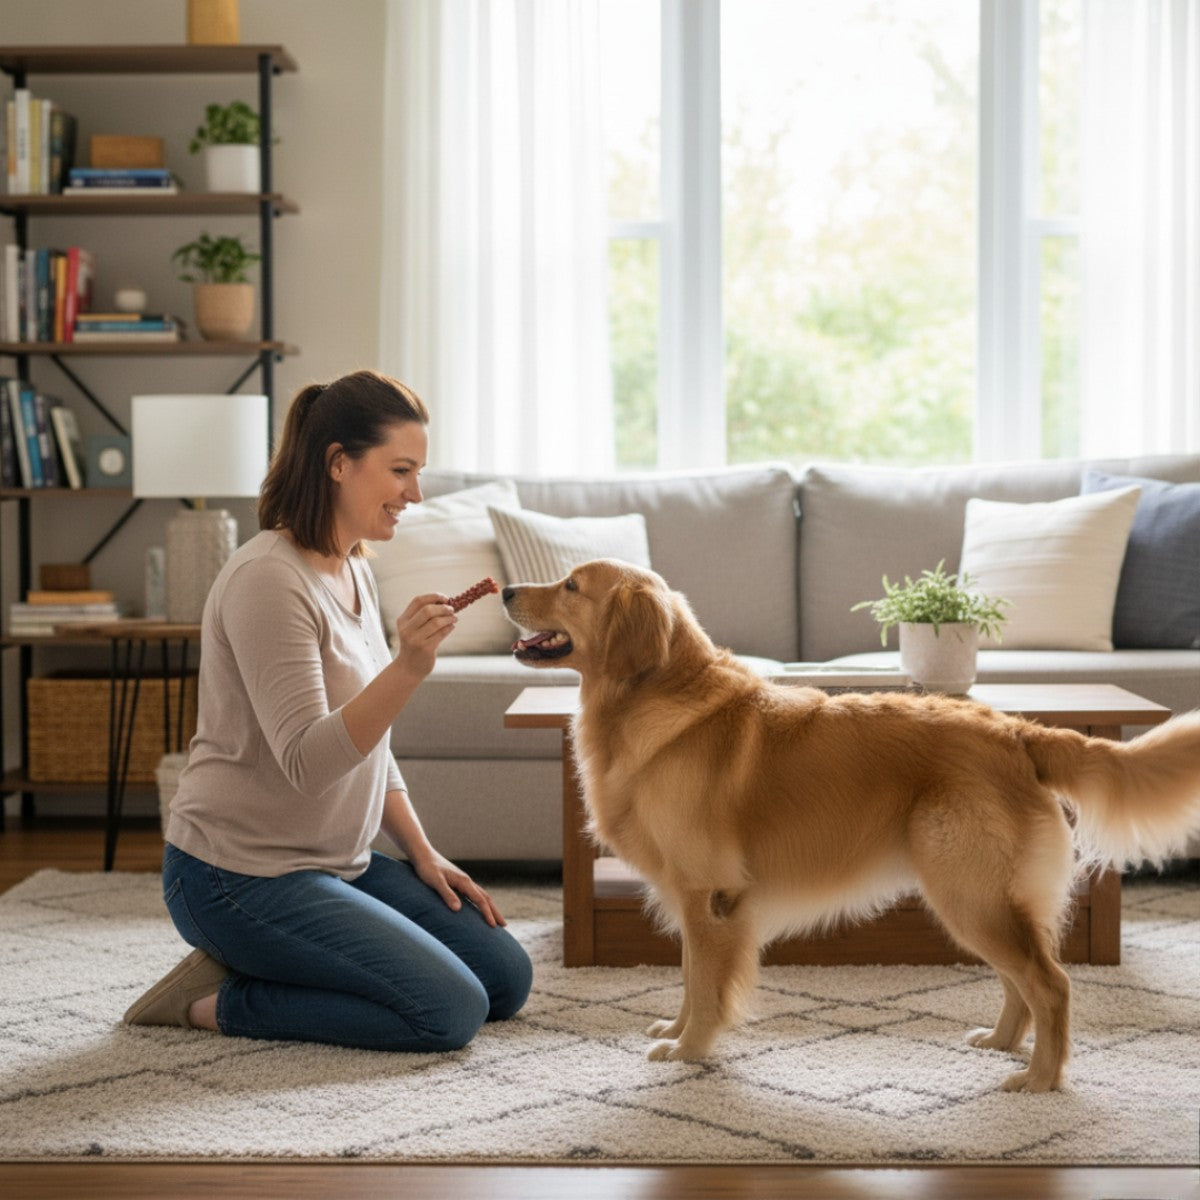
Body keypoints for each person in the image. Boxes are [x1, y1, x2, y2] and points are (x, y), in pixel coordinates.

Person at [123, 369, 532, 1051]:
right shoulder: (268, 579)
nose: (415, 493)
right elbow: (307, 763)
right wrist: (407, 668)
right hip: (237, 877)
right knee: (448, 1011)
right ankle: (209, 999)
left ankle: (297, 955)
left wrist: (423, 853)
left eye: (418, 472)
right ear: (339, 463)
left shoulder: (355, 569)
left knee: (505, 979)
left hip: (338, 861)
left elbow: (371, 745)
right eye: (400, 470)